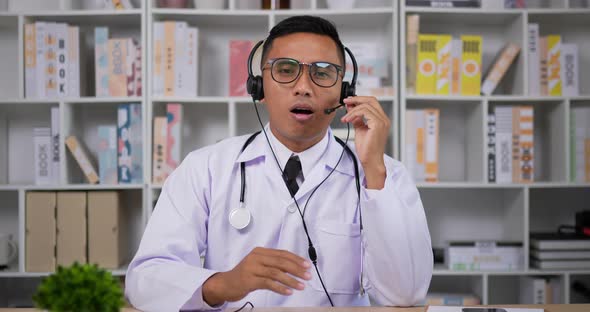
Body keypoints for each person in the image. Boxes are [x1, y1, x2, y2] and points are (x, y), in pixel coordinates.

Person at [125, 15, 433, 311]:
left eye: (322, 72)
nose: (303, 87)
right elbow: (145, 280)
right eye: (285, 70)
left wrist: (374, 171)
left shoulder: (384, 173)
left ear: (344, 92)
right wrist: (223, 284)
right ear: (259, 88)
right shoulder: (204, 168)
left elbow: (406, 295)